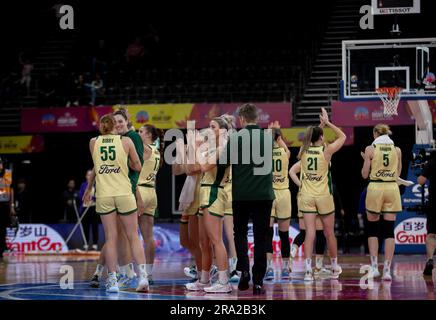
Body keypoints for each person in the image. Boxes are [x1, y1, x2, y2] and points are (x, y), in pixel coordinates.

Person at [87, 113, 148, 293]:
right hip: (124, 193)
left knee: (111, 238)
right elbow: (137, 166)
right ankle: (143, 277)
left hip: (105, 195)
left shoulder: (93, 142)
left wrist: (89, 188)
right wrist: (125, 161)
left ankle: (113, 280)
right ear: (115, 125)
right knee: (133, 236)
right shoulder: (126, 142)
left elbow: (96, 168)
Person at [220, 103, 275, 295]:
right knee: (261, 237)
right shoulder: (268, 138)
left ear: (242, 119)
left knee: (240, 233)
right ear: (257, 119)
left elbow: (223, 162)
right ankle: (258, 280)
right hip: (264, 195)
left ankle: (243, 270)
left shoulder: (236, 138)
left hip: (241, 194)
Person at [289, 108, 345, 282]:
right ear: (321, 138)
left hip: (306, 196)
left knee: (310, 233)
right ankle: (334, 266)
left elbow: (310, 140)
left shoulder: (303, 151)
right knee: (329, 233)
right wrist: (327, 123)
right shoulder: (326, 152)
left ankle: (307, 271)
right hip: (323, 196)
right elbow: (342, 136)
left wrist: (319, 128)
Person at [185, 117, 232, 293]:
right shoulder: (211, 148)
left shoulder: (222, 148)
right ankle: (204, 280)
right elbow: (191, 168)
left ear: (222, 131)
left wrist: (196, 146)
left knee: (216, 240)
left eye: (213, 126)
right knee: (203, 242)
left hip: (214, 192)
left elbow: (204, 166)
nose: (208, 129)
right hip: (204, 192)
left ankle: (223, 281)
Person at [361, 124, 402, 281]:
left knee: (372, 228)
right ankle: (387, 270)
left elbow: (365, 174)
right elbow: (397, 174)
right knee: (389, 230)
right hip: (392, 188)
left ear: (375, 134)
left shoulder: (370, 149)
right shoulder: (397, 150)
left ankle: (374, 267)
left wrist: (366, 159)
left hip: (376, 187)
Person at [172, 136, 203, 281]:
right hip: (190, 197)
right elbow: (176, 170)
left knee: (199, 241)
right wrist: (180, 154)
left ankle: (204, 272)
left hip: (202, 197)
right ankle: (203, 268)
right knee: (184, 240)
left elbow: (191, 170)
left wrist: (185, 153)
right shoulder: (193, 151)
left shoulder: (206, 152)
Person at [265, 121, 292, 281]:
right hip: (283, 194)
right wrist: (276, 132)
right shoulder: (285, 152)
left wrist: (270, 132)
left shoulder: (264, 154)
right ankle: (285, 267)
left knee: (267, 234)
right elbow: (285, 147)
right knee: (284, 234)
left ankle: (268, 268)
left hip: (269, 194)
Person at [137, 124, 164, 284]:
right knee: (148, 237)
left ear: (147, 134)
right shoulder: (156, 150)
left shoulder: (145, 149)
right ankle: (149, 273)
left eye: (140, 131)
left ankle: (132, 273)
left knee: (131, 236)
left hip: (139, 191)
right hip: (151, 193)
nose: (137, 134)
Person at [417, 151, 436, 276]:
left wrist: (423, 170)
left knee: (432, 234)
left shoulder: (432, 162)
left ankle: (430, 259)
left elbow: (420, 181)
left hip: (434, 203)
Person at [79, 170, 99, 251]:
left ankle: (95, 245)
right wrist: (85, 197)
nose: (90, 176)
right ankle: (85, 244)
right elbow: (80, 195)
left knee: (94, 226)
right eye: (88, 175)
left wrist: (93, 198)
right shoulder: (83, 185)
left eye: (91, 175)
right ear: (86, 176)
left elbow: (99, 194)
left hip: (93, 207)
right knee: (85, 226)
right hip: (85, 207)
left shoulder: (96, 184)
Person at [0, 157, 14, 260]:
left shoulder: (7, 173)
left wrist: (12, 206)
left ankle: (2, 249)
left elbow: (10, 189)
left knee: (3, 228)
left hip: (4, 203)